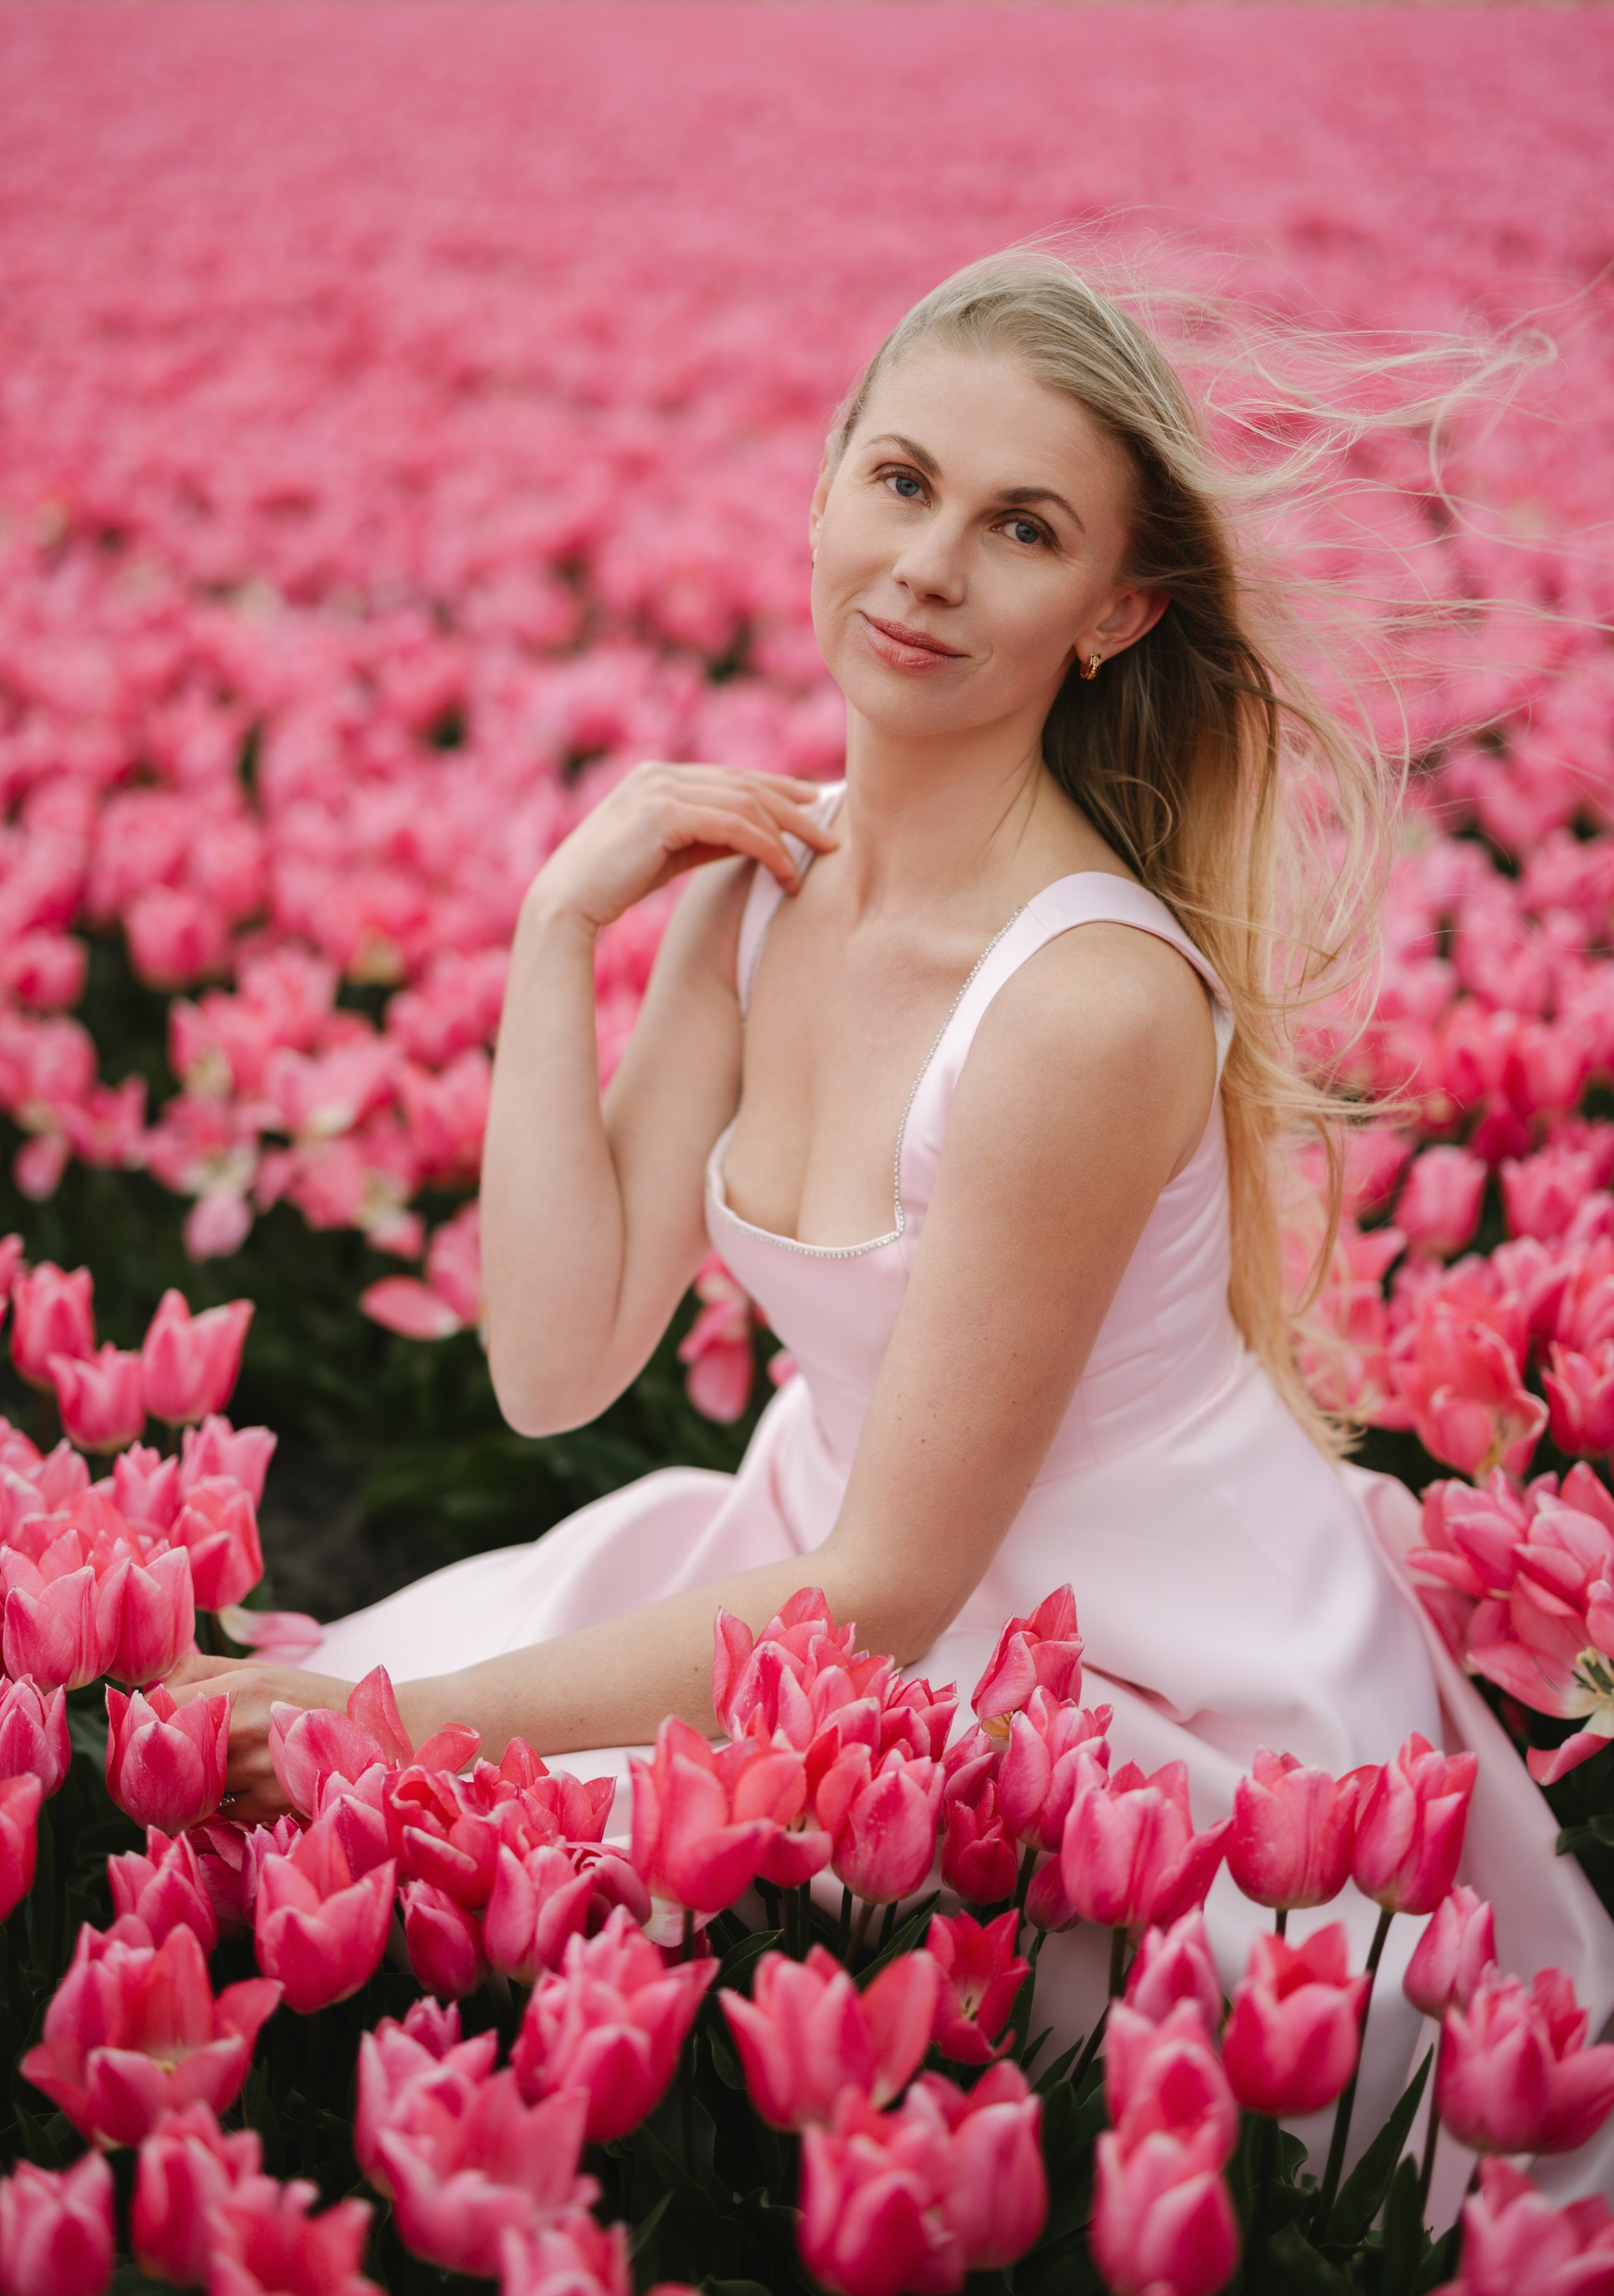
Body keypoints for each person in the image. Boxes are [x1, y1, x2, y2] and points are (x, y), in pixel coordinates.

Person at [168, 252, 1614, 2191]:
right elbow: (554, 1365)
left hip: (1134, 1679)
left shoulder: (1084, 1007)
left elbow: (893, 1596)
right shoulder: (759, 884)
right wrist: (557, 924)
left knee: (482, 1853)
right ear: (830, 481)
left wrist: (390, 1720)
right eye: (904, 481)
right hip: (830, 1564)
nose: (928, 566)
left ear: (1117, 612)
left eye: (1023, 527)